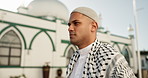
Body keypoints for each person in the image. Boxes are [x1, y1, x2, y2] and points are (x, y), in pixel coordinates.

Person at [66, 7, 136, 78]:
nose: (70, 28)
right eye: (69, 25)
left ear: (93, 27)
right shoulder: (74, 58)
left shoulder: (111, 58)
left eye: (76, 23)